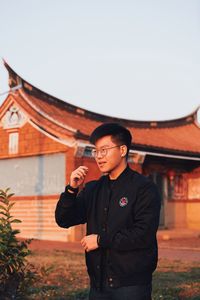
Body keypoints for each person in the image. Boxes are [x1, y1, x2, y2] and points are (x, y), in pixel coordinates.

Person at [55, 123, 161, 300]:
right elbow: (64, 219)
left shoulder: (144, 188)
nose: (99, 157)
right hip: (98, 285)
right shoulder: (93, 189)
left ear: (122, 150)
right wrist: (71, 190)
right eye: (96, 151)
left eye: (104, 150)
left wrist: (100, 240)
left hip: (131, 286)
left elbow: (143, 234)